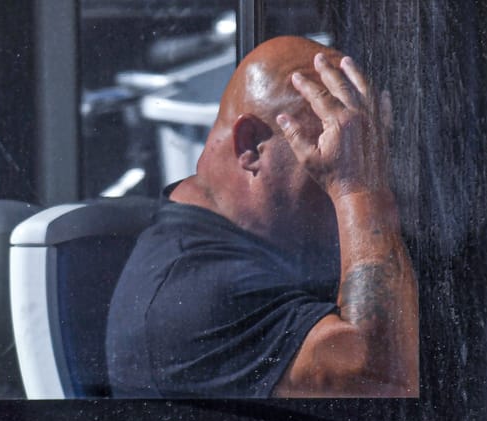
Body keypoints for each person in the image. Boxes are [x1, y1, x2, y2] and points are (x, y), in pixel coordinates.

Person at [105, 36, 418, 398]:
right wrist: (357, 188)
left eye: (371, 155)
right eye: (329, 162)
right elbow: (384, 377)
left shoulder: (267, 237)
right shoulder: (190, 295)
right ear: (251, 146)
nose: (375, 175)